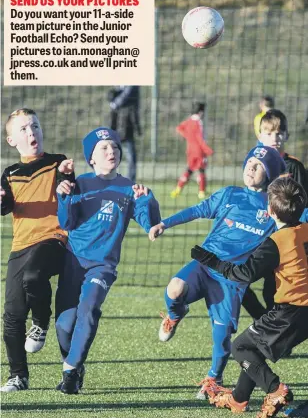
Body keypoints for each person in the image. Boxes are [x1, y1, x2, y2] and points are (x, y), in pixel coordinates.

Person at [149, 145, 285, 401]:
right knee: (174, 288)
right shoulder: (229, 194)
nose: (251, 168)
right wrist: (164, 223)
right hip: (206, 264)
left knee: (222, 336)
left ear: (269, 175)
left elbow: (299, 218)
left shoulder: (273, 209)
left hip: (232, 280)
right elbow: (196, 210)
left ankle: (214, 379)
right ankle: (175, 314)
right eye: (249, 162)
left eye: (259, 166)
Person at [55, 127, 161, 394]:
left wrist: (148, 199)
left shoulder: (128, 188)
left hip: (103, 266)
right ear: (91, 157)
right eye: (104, 147)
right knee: (63, 324)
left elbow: (150, 223)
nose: (111, 151)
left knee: (88, 310)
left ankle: (69, 372)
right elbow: (66, 222)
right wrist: (64, 197)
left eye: (114, 147)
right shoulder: (80, 184)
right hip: (73, 262)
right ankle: (76, 366)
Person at [191, 177, 308, 418]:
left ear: (270, 211)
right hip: (302, 311)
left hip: (291, 310)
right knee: (256, 347)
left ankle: (275, 390)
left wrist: (211, 260)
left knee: (241, 347)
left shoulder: (276, 242)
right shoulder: (305, 229)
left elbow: (243, 274)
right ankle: (238, 399)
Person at [0, 108, 74, 393]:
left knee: (34, 277)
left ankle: (41, 322)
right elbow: (6, 208)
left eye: (35, 126)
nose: (32, 133)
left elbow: (70, 187)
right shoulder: (10, 173)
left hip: (54, 238)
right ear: (11, 140)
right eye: (24, 129)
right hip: (21, 245)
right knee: (12, 316)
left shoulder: (57, 163)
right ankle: (19, 376)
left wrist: (69, 176)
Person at [243, 109, 308, 320]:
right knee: (237, 280)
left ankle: (275, 333)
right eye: (269, 133)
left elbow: (304, 205)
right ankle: (263, 321)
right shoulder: (254, 163)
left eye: (279, 133)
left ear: (286, 136)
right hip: (257, 234)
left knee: (273, 291)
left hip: (284, 239)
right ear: (259, 136)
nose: (275, 138)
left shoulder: (294, 167)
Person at [170, 101, 213, 200]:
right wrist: (207, 149)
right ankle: (201, 192)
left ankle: (178, 189)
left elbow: (179, 128)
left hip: (190, 150)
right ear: (201, 112)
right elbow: (199, 138)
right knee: (201, 170)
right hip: (199, 151)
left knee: (189, 170)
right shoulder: (199, 122)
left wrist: (188, 137)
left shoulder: (189, 121)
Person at [108, 86, 141, 181]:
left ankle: (130, 180)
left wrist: (115, 103)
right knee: (113, 155)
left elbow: (129, 91)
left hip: (126, 128)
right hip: (119, 127)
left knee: (130, 156)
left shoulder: (129, 88)